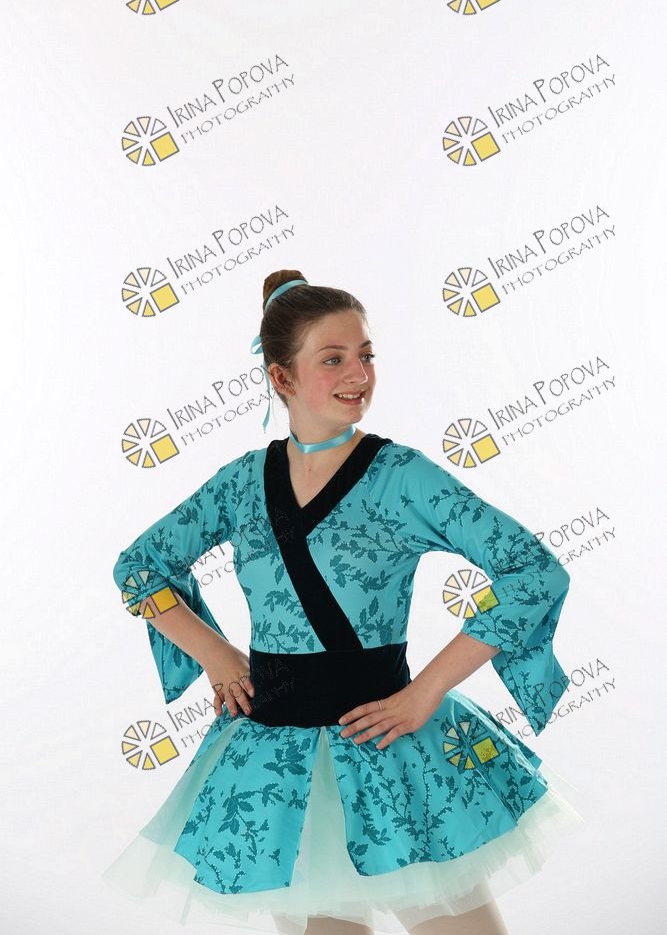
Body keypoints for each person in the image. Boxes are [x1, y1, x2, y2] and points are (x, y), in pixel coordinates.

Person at [101, 270, 586, 935]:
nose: (358, 374)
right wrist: (217, 656)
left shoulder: (403, 476)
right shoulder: (241, 483)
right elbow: (138, 567)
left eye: (366, 355)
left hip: (389, 743)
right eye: (333, 359)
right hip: (274, 760)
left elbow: (534, 571)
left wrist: (424, 693)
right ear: (282, 377)